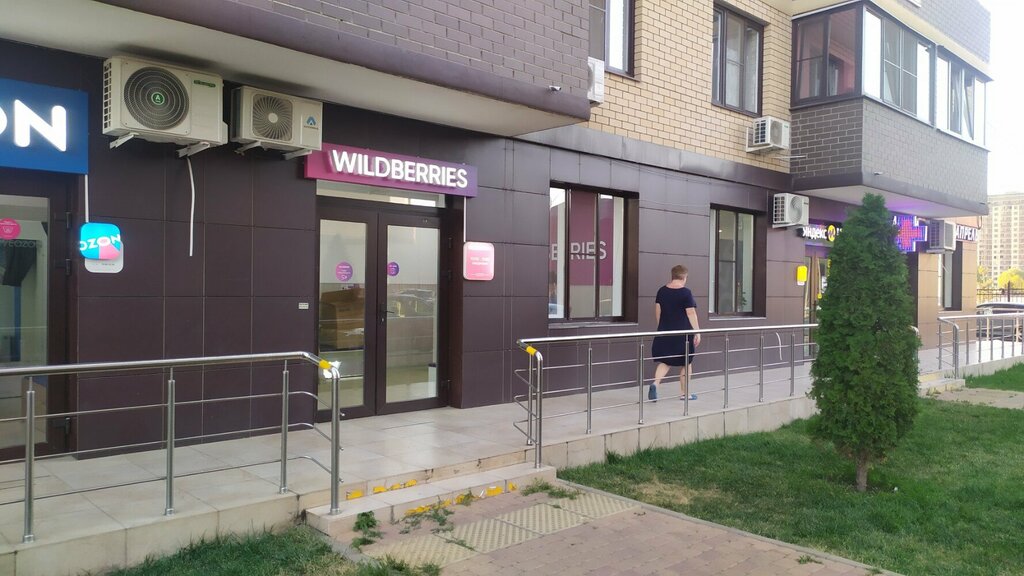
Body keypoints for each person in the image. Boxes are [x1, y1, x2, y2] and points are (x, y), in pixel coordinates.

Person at [649, 265, 701, 401]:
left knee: (665, 361)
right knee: (686, 363)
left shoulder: (662, 291)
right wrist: (697, 332)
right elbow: (691, 313)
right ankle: (685, 394)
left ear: (672, 275)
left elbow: (658, 311)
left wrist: (662, 327)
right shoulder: (686, 293)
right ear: (684, 277)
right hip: (683, 334)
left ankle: (655, 383)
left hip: (665, 332)